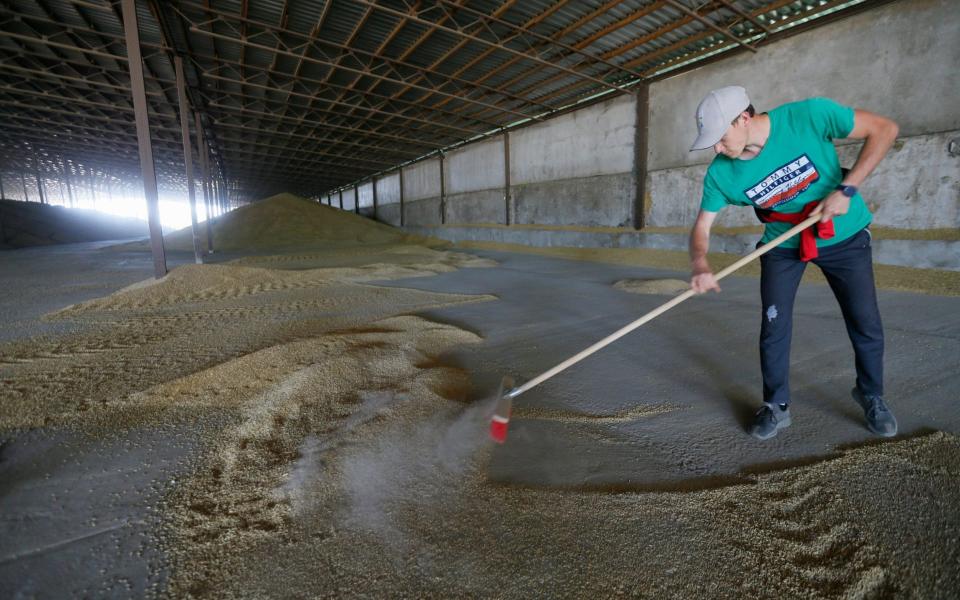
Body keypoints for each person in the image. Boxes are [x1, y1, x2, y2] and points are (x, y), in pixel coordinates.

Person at [687, 86, 900, 440]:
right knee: (774, 325)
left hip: (843, 234)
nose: (716, 148)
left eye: (720, 138)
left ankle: (871, 394)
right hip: (781, 244)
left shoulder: (807, 116)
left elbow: (885, 129)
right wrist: (699, 262)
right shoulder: (721, 174)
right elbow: (702, 227)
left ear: (743, 118)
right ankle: (775, 404)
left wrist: (846, 189)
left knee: (865, 320)